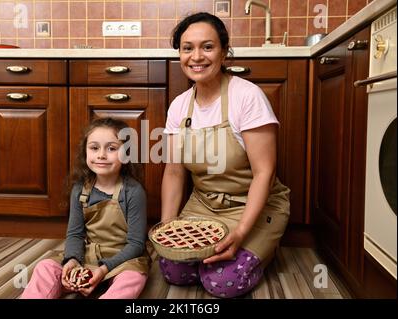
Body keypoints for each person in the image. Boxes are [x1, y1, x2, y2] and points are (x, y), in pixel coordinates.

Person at [159, 12, 290, 298]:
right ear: (179, 54)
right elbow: (173, 170)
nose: (197, 56)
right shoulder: (179, 106)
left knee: (222, 282)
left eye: (207, 47)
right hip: (203, 206)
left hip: (253, 206)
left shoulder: (247, 96)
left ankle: (264, 248)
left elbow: (264, 172)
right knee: (173, 269)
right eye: (187, 48)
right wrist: (168, 229)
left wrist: (242, 232)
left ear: (224, 51)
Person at [21, 117, 150, 299]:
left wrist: (104, 269)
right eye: (94, 148)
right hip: (87, 258)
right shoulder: (79, 189)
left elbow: (136, 244)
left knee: (133, 277)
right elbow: (75, 234)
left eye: (112, 149)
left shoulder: (133, 191)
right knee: (45, 267)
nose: (101, 155)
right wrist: (72, 260)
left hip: (122, 261)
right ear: (85, 151)